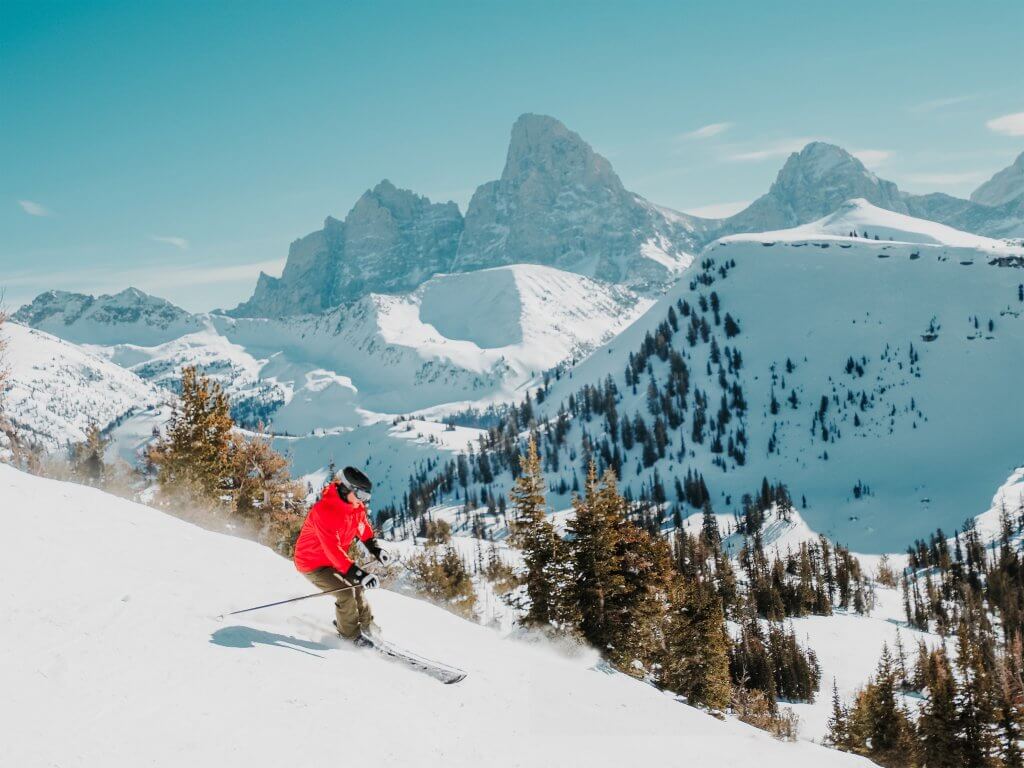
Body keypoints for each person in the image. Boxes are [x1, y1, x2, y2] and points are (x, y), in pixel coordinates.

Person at [293, 466, 391, 645]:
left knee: (357, 586)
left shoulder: (354, 505)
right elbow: (333, 550)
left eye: (367, 497)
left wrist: (375, 548)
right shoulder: (324, 511)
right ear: (347, 489)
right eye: (361, 495)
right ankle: (350, 636)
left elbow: (362, 526)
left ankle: (366, 625)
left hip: (333, 560)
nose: (364, 501)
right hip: (312, 562)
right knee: (345, 594)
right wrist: (360, 574)